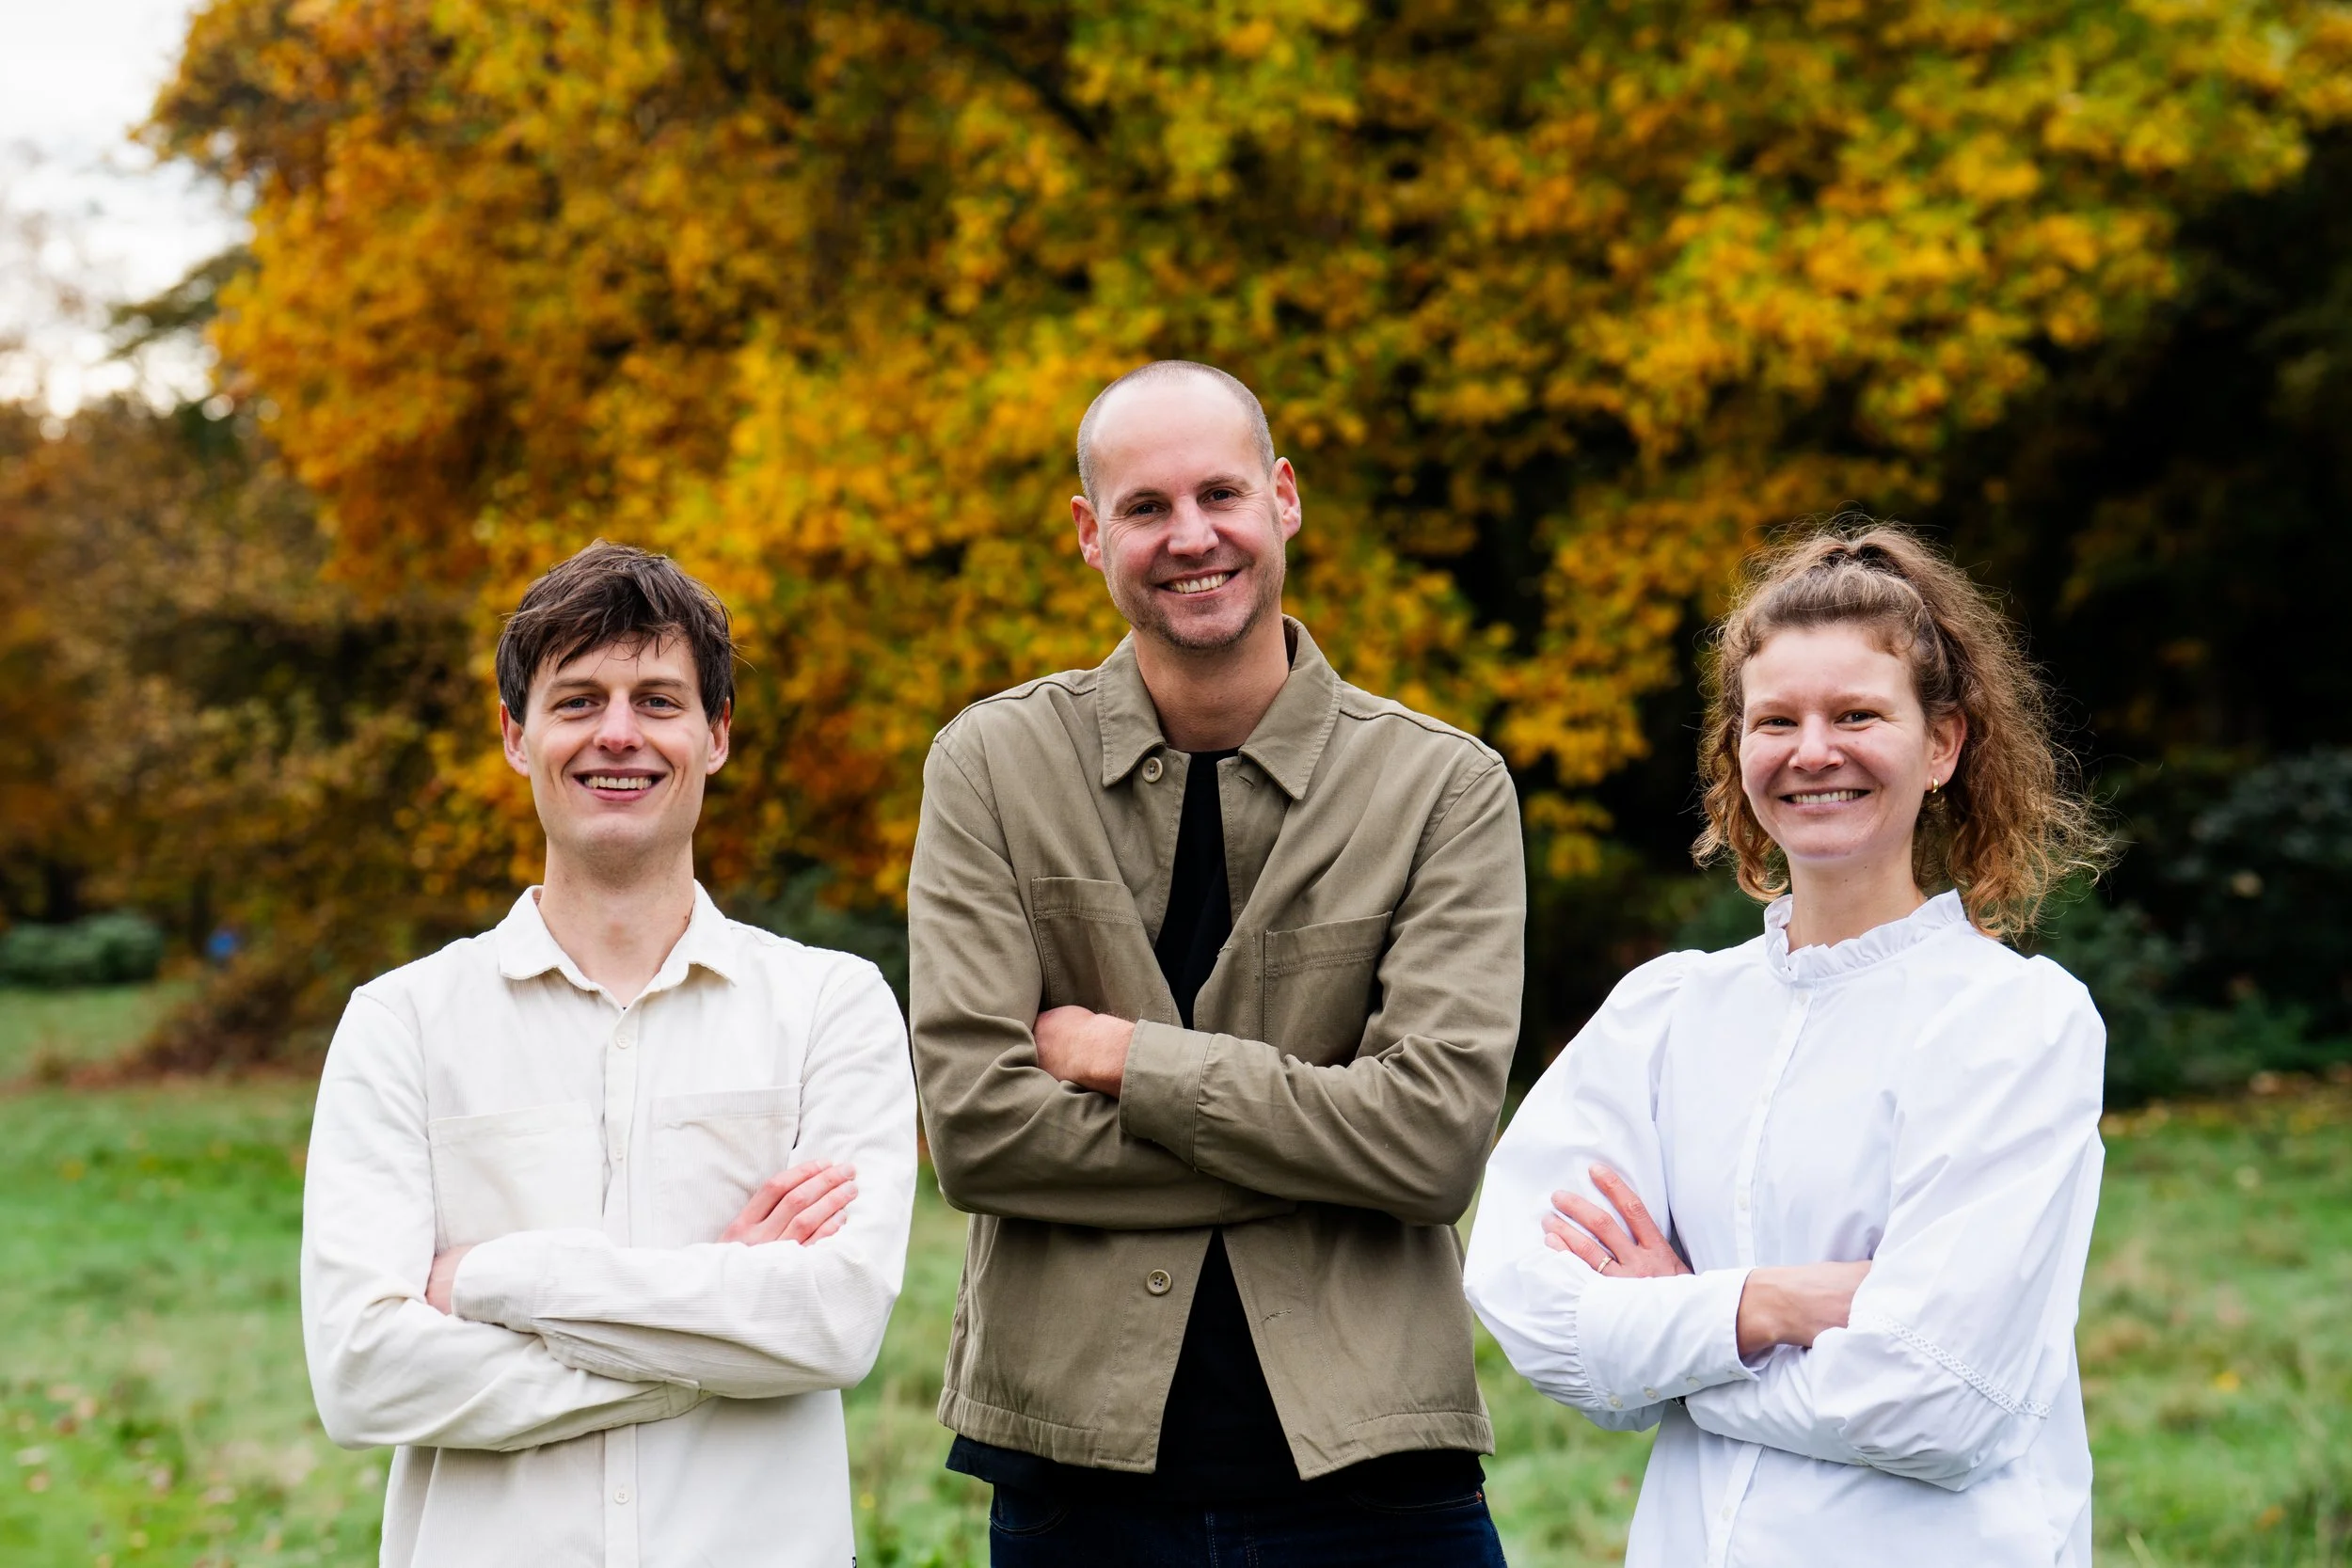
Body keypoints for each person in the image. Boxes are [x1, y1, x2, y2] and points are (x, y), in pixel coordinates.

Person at [908, 360, 1524, 1565]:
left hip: (1376, 1477)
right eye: (1145, 508)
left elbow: (1437, 1138)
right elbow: (979, 1131)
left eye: (1220, 494)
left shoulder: (1443, 786)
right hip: (1071, 1481)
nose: (1191, 536)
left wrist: (1123, 1056)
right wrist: (1325, 1135)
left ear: (1282, 499)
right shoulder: (988, 766)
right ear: (1092, 535)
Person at [1465, 524, 2113, 1566]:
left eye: (1857, 713)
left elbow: (1939, 1398)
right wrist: (1774, 1302)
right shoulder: (1663, 1014)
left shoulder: (2013, 1021)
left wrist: (1671, 1343)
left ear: (1942, 743)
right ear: (1737, 752)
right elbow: (1525, 1301)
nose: (1813, 751)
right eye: (1776, 720)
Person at [300, 542, 915, 1568]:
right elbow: (365, 1374)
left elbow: (833, 1327)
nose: (618, 734)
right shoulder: (399, 1020)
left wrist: (500, 1277)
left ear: (716, 735)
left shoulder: (829, 1006)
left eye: (659, 700)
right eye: (578, 699)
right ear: (515, 733)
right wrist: (726, 1312)